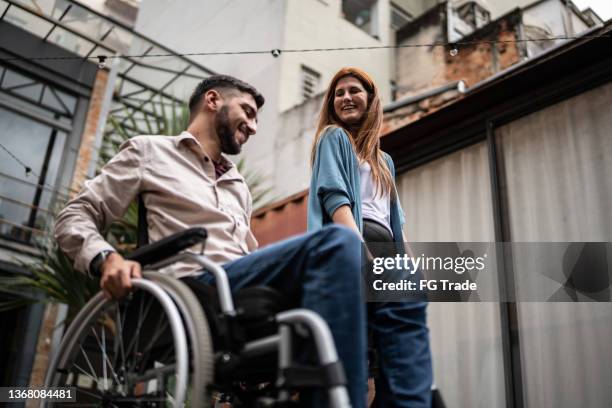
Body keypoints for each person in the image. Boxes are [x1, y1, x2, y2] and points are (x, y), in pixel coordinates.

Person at [54, 75, 367, 407]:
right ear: (213, 100)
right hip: (193, 285)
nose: (253, 127)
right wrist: (107, 258)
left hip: (240, 285)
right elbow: (74, 215)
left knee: (391, 289)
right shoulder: (150, 151)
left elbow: (249, 253)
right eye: (247, 112)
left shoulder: (238, 186)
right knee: (336, 243)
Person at [308, 67, 432, 407]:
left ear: (370, 98)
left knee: (387, 352)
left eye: (354, 90)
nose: (346, 97)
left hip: (387, 251)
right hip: (353, 244)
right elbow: (336, 201)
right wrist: (361, 255)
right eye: (339, 93)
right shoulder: (333, 137)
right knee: (357, 348)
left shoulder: (385, 161)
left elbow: (397, 223)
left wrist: (411, 270)